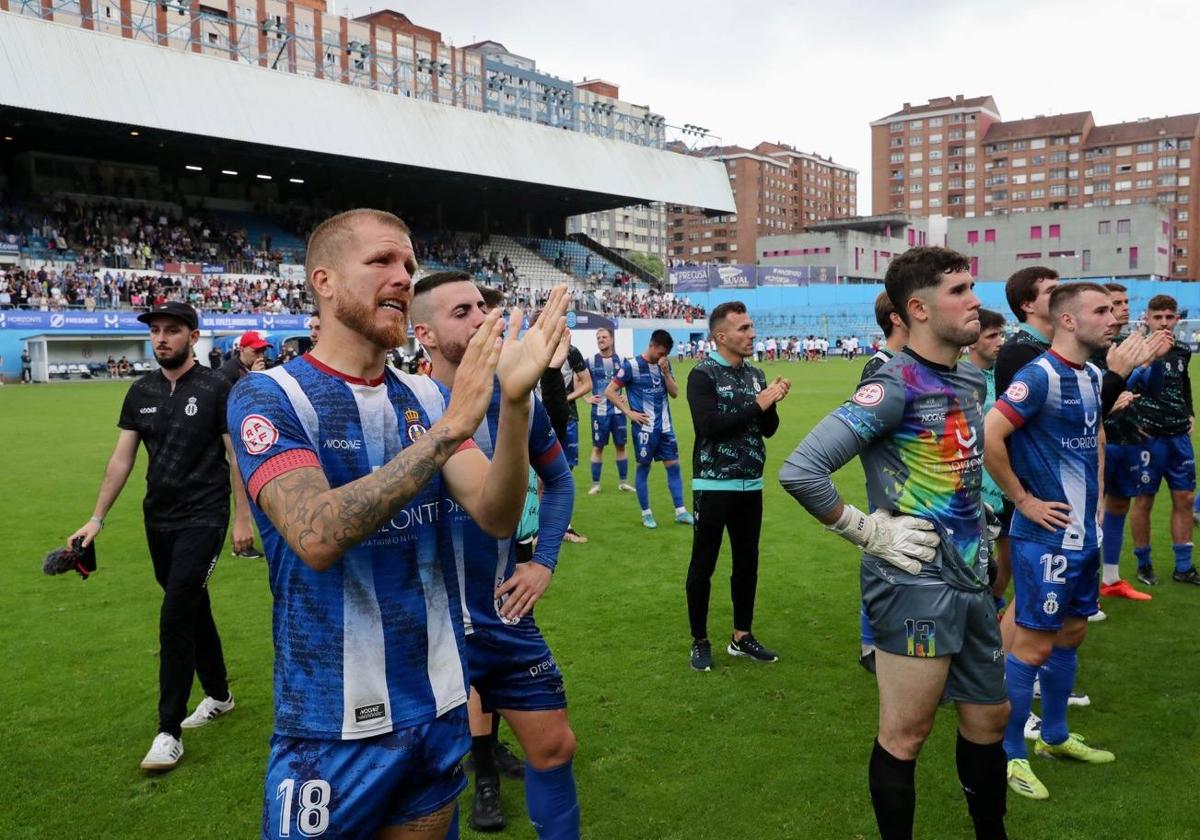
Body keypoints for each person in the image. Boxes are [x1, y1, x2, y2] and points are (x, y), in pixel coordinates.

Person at [225, 209, 569, 839]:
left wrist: (515, 405)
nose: (403, 276)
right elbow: (317, 535)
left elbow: (494, 515)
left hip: (438, 700)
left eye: (409, 264)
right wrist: (447, 432)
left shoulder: (429, 397)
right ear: (324, 282)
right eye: (382, 261)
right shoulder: (270, 395)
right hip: (332, 721)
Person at [780, 247, 1009, 840]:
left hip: (972, 576)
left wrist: (977, 517)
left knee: (991, 721)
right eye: (959, 290)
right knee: (906, 735)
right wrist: (870, 531)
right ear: (919, 308)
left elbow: (955, 464)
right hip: (914, 585)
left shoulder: (966, 376)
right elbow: (802, 470)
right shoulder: (893, 385)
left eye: (971, 286)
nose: (975, 301)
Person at [411, 272, 580, 838]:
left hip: (503, 612)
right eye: (462, 312)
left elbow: (558, 481)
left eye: (482, 305)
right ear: (425, 335)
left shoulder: (521, 396)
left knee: (555, 747)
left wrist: (543, 561)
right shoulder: (404, 403)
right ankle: (483, 778)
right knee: (425, 779)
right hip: (428, 624)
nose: (482, 318)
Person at [68, 300, 254, 772]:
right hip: (159, 520)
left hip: (205, 517)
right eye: (155, 331)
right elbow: (122, 459)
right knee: (193, 606)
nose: (162, 338)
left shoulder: (218, 387)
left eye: (172, 330)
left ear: (193, 335)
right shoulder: (140, 390)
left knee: (175, 615)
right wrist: (96, 519)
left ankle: (167, 731)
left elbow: (235, 458)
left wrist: (241, 519)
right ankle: (219, 695)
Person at [983, 282, 1119, 801]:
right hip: (1046, 538)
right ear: (1067, 320)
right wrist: (1023, 499)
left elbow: (1091, 444)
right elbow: (991, 433)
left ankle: (1055, 737)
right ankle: (1011, 753)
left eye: (1113, 309)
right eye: (1100, 311)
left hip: (1083, 535)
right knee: (1034, 645)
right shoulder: (1037, 376)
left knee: (1072, 633)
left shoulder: (1090, 374)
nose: (1112, 318)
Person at [685, 301, 789, 671]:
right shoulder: (703, 375)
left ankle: (741, 636)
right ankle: (699, 640)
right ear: (721, 336)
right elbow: (708, 427)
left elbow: (768, 430)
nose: (752, 334)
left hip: (751, 484)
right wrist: (757, 405)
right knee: (704, 564)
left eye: (751, 327)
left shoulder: (755, 373)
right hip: (713, 483)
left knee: (747, 562)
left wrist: (771, 401)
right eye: (743, 328)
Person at [1095, 283, 1168, 601]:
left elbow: (1152, 389)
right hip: (1096, 441)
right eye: (1116, 303)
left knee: (1119, 505)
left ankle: (1110, 578)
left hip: (1126, 438)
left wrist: (1151, 362)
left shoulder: (1126, 344)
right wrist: (1133, 371)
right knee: (1090, 512)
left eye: (1126, 301)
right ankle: (1082, 586)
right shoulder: (1091, 348)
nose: (1124, 307)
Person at [856, 291, 911, 673]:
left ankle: (905, 641)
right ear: (896, 317)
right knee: (883, 556)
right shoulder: (879, 366)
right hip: (892, 484)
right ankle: (869, 646)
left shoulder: (914, 362)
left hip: (920, 483)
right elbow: (866, 431)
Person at [1129, 294, 1200, 586]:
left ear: (1177, 319)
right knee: (1144, 501)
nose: (1164, 323)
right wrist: (1133, 422)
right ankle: (1144, 564)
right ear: (1147, 318)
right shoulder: (1136, 350)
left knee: (1184, 498)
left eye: (1169, 317)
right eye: (1157, 317)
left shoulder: (1182, 350)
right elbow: (1121, 386)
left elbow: (1183, 385)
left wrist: (1190, 413)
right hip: (1148, 438)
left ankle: (1183, 567)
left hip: (1179, 437)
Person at [605, 330, 692, 529]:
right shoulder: (631, 366)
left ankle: (680, 511)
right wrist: (629, 413)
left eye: (665, 354)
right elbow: (610, 391)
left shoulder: (664, 366)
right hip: (644, 428)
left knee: (674, 466)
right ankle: (646, 513)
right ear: (652, 345)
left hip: (665, 427)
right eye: (660, 353)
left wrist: (666, 372)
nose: (662, 357)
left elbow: (676, 393)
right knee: (644, 468)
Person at [967, 309, 1009, 607]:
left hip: (1007, 477)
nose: (1000, 341)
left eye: (1001, 334)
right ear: (972, 340)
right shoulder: (960, 379)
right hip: (973, 483)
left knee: (1009, 553)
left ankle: (992, 606)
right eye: (991, 336)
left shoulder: (1009, 375)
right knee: (976, 558)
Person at [586, 326, 634, 495]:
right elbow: (579, 380)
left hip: (619, 411)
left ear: (612, 339)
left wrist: (628, 396)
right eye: (598, 338)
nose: (601, 340)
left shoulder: (622, 360)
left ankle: (623, 482)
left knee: (621, 445)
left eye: (604, 337)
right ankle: (596, 484)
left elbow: (631, 380)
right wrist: (586, 398)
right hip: (599, 412)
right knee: (598, 447)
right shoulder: (590, 361)